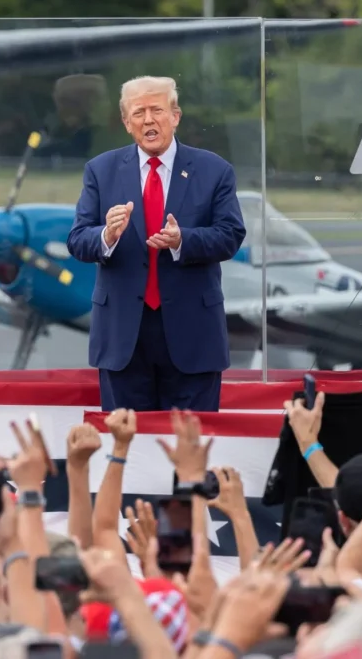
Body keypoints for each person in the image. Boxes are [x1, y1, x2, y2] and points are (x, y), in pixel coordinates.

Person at [67, 76, 246, 412]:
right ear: (126, 122)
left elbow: (231, 234)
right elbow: (78, 239)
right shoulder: (100, 170)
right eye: (138, 113)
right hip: (123, 340)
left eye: (157, 110)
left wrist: (183, 240)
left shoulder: (214, 170)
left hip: (193, 337)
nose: (148, 120)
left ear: (175, 115)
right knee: (128, 453)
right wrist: (106, 236)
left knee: (192, 451)